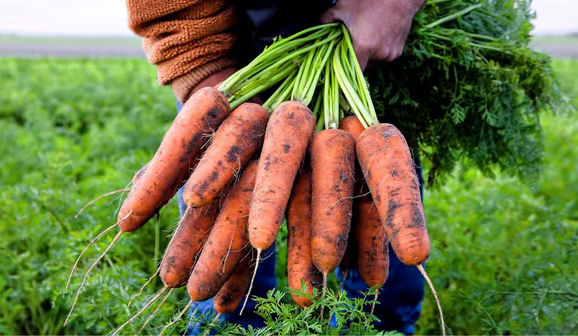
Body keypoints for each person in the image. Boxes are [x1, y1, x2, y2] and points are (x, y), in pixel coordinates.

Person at [125, 0, 427, 334]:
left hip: (370, 57)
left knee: (382, 291)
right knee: (225, 285)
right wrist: (202, 63)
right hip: (230, 61)